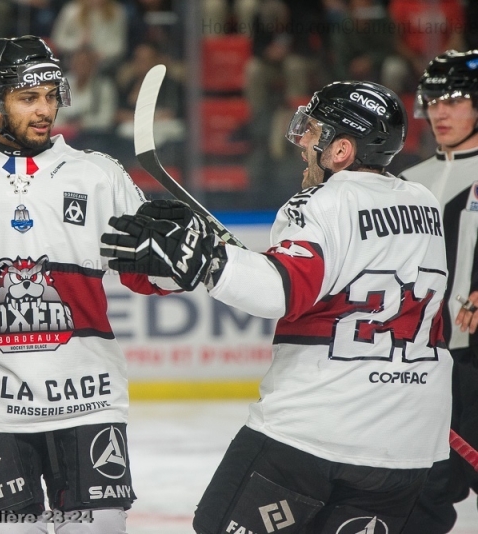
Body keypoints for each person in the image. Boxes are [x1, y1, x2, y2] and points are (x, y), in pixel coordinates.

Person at [101, 81, 453, 532]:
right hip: (409, 446)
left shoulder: (322, 202)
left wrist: (205, 259)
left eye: (315, 133)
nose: (304, 142)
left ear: (341, 149)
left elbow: (279, 292)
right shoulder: (423, 203)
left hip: (316, 434)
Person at [0, 35, 176, 534]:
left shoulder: (99, 175)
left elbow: (148, 276)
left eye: (50, 95)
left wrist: (176, 262)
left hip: (86, 400)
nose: (45, 110)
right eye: (28, 98)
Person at [400, 49, 478, 534]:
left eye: (454, 99)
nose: (440, 112)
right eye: (432, 100)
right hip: (428, 371)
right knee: (418, 499)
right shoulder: (406, 184)